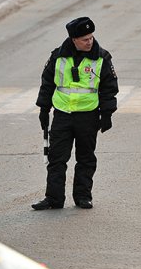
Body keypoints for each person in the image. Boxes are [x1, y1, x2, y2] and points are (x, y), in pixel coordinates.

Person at [32, 17, 118, 210]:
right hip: (62, 115)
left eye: (91, 37)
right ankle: (54, 199)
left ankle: (83, 197)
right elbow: (47, 83)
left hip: (88, 116)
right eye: (85, 39)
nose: (90, 42)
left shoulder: (102, 57)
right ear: (73, 40)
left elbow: (109, 87)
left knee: (86, 158)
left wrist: (107, 113)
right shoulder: (58, 57)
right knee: (56, 159)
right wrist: (43, 109)